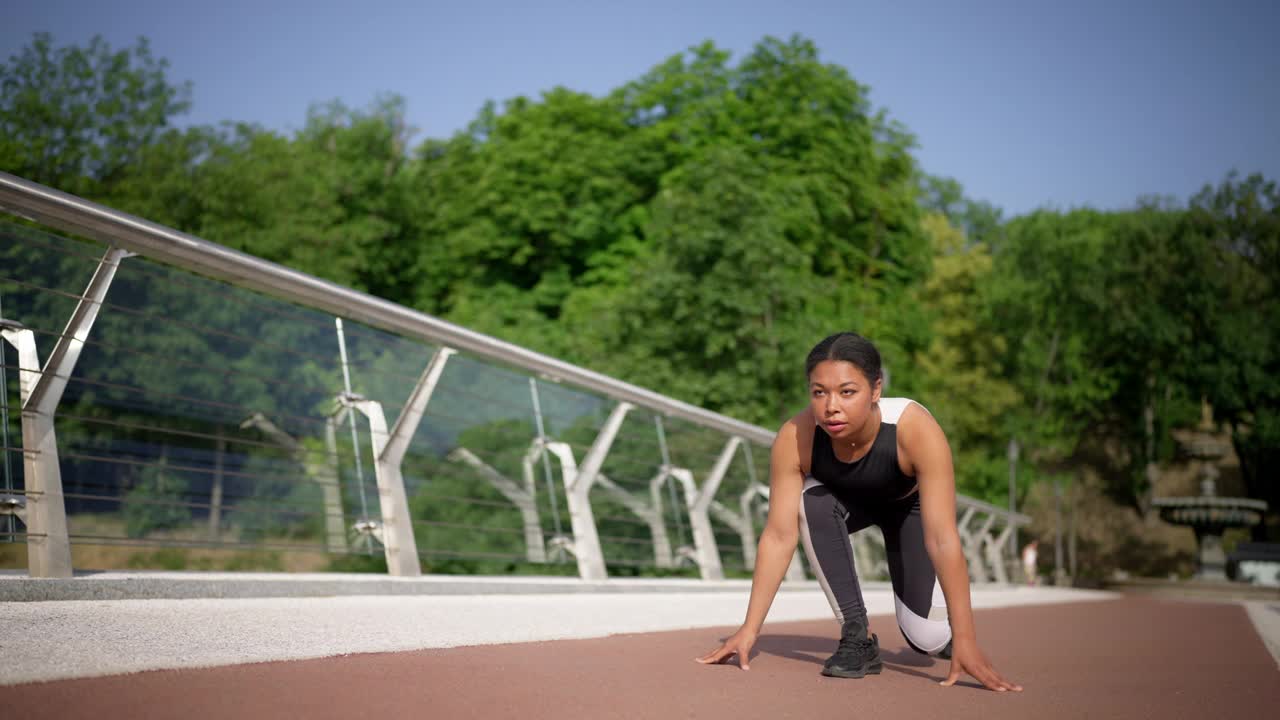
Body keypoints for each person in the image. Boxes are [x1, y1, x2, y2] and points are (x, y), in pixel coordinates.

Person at [696, 332, 1021, 692]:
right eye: (819, 392)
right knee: (807, 500)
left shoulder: (914, 429)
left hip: (906, 511)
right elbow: (778, 535)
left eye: (847, 392)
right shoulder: (795, 436)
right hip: (845, 506)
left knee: (925, 638)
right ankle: (857, 637)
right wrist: (749, 629)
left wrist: (967, 638)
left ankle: (939, 632)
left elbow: (943, 538)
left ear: (876, 389)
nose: (831, 406)